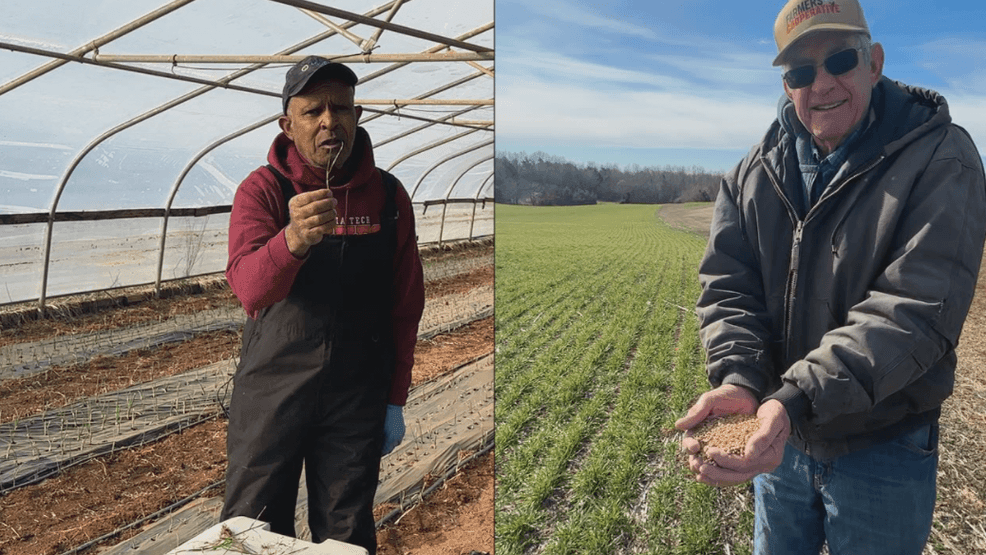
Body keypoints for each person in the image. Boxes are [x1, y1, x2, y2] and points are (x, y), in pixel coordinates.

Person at [674, 0, 986, 553]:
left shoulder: (941, 156)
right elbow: (727, 287)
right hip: (779, 444)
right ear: (787, 85)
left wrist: (791, 400)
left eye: (839, 59)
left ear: (876, 62)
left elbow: (916, 308)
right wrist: (741, 379)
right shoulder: (751, 174)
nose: (820, 84)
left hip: (883, 448)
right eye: (799, 71)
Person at [221, 56, 425, 554]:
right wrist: (290, 240)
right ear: (288, 125)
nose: (329, 121)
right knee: (251, 530)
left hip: (356, 395)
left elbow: (405, 305)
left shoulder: (389, 197)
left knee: (346, 532)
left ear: (357, 117)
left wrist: (393, 398)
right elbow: (249, 287)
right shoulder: (264, 191)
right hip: (273, 392)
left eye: (341, 108)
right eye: (313, 111)